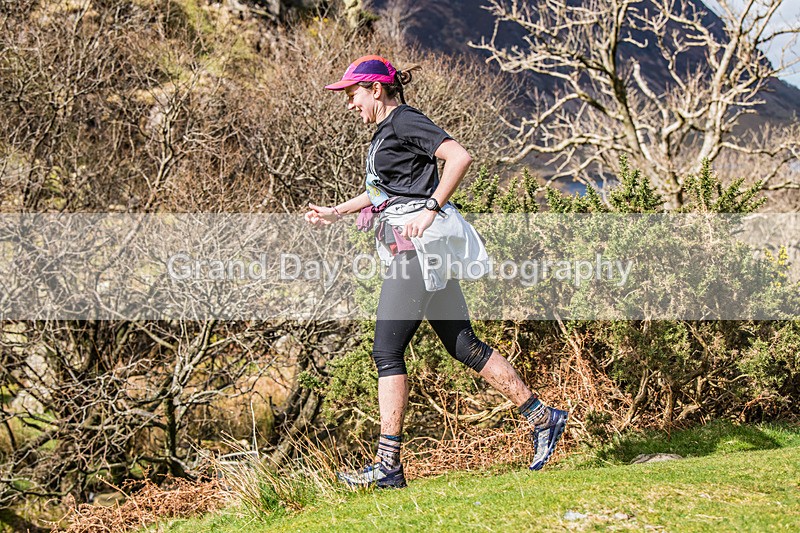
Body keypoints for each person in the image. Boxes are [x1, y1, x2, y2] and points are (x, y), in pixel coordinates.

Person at [305, 55, 568, 489]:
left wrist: (431, 208)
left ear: (376, 89)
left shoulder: (404, 120)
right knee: (463, 344)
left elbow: (459, 156)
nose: (349, 103)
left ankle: (387, 465)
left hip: (418, 250)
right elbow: (383, 193)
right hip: (421, 250)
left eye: (352, 94)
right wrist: (336, 211)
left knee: (386, 351)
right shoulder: (384, 133)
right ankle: (544, 417)